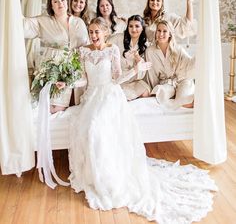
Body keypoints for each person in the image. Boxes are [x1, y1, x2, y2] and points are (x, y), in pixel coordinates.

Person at [68, 17, 216, 224]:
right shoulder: (83, 51)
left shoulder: (111, 50)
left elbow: (116, 78)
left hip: (109, 94)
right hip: (91, 96)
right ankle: (93, 176)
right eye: (91, 32)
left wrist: (135, 71)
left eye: (96, 32)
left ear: (104, 32)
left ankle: (107, 179)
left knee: (94, 128)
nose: (93, 36)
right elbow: (84, 78)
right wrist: (66, 82)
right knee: (87, 129)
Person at [23, 0, 89, 113]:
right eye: (56, 1)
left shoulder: (78, 22)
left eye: (63, 0)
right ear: (51, 5)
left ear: (67, 2)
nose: (60, 4)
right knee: (55, 108)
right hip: (54, 67)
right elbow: (23, 25)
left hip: (77, 67)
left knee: (77, 105)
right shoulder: (44, 21)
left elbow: (87, 45)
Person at [145, 20, 195, 109]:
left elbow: (189, 64)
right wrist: (154, 89)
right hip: (167, 84)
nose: (161, 34)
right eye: (159, 31)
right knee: (160, 93)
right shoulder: (150, 51)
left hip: (182, 80)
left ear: (170, 34)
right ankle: (173, 94)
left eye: (164, 31)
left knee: (185, 100)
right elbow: (152, 75)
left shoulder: (178, 49)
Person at [108, 15, 150, 100]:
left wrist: (138, 58)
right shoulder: (118, 38)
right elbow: (105, 46)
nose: (133, 29)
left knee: (146, 90)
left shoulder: (146, 45)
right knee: (118, 95)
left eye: (137, 26)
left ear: (142, 28)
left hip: (134, 81)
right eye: (131, 26)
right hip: (119, 79)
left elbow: (143, 71)